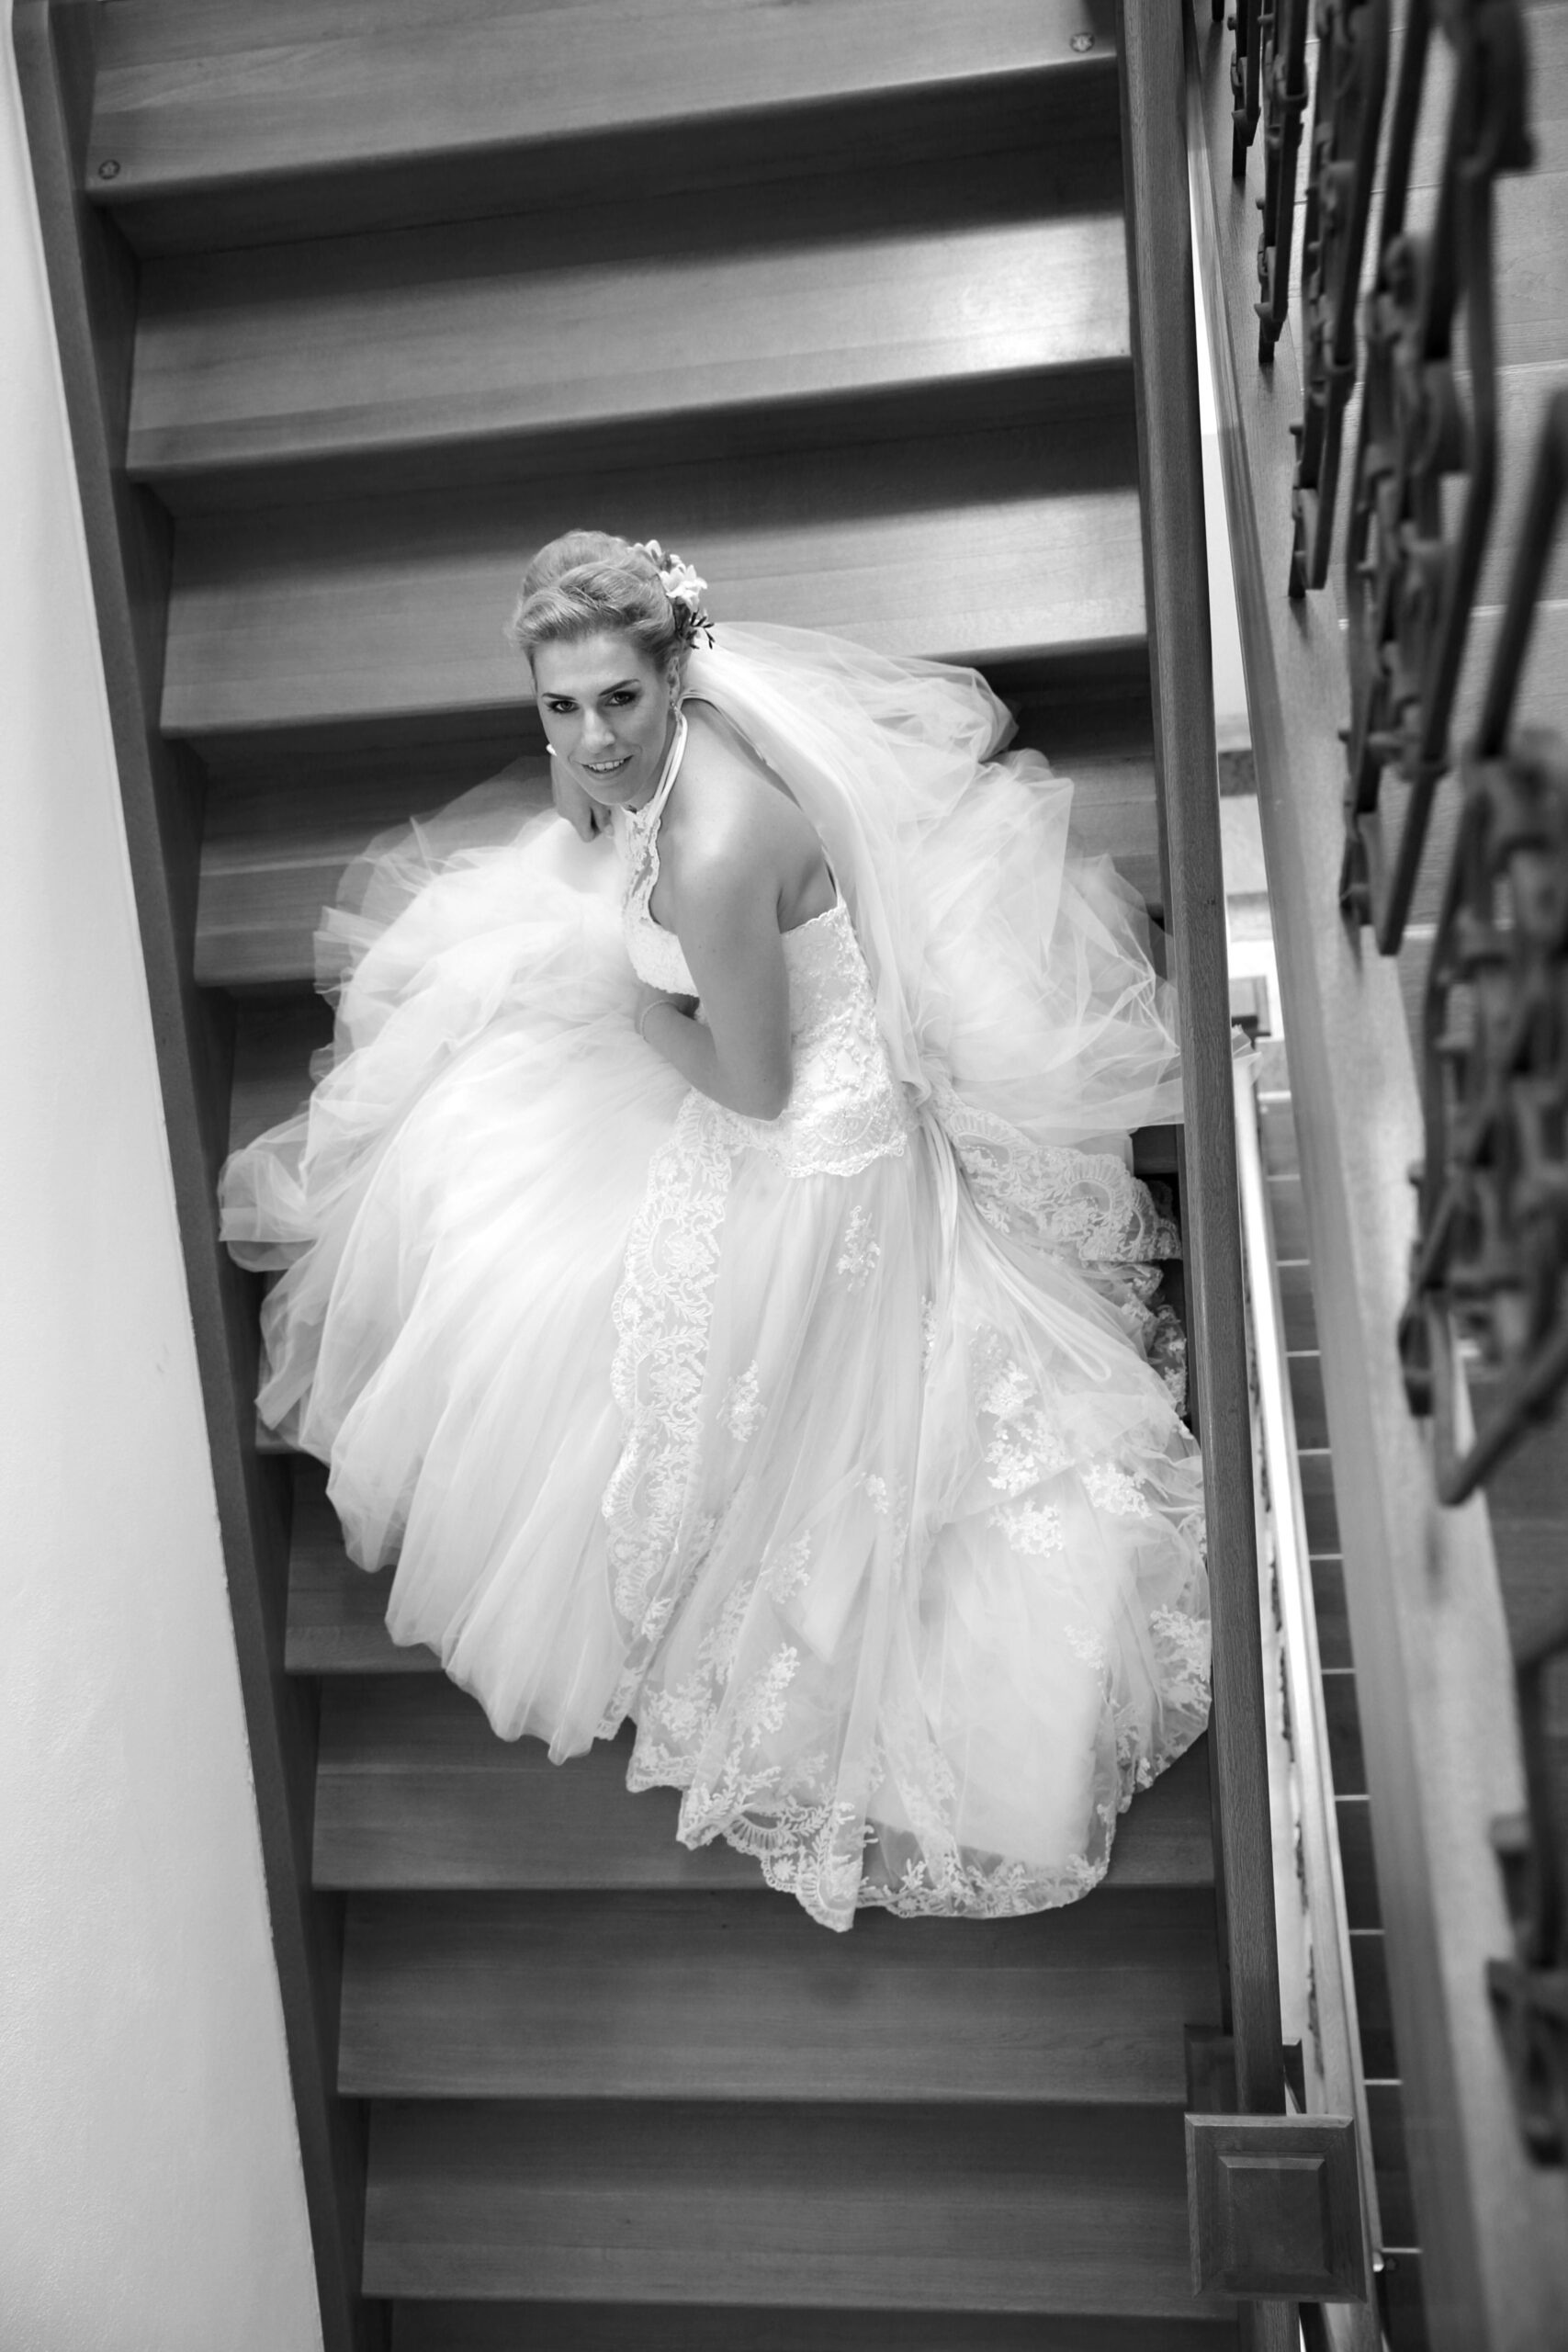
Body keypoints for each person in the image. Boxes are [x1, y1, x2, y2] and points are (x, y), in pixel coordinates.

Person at [220, 531, 1209, 1932]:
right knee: (482, 1161)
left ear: (679, 674)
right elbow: (598, 796)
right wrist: (596, 784)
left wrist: (632, 1006)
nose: (593, 739)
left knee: (537, 1277)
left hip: (809, 1145)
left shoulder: (715, 847)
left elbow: (755, 1090)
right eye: (561, 707)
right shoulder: (688, 737)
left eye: (620, 701)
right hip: (777, 1032)